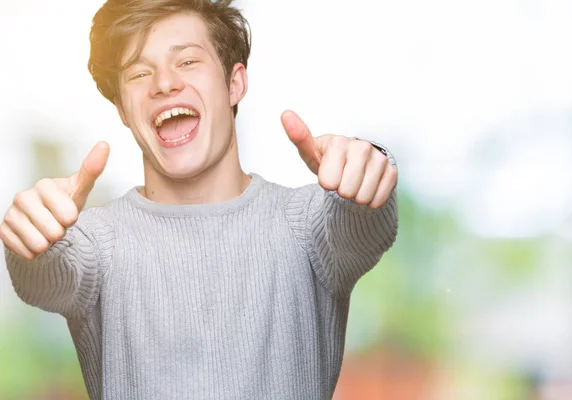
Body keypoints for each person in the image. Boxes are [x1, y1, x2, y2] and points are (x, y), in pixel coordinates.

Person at [1, 0, 399, 398]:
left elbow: (361, 224)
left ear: (234, 83)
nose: (164, 83)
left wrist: (369, 171)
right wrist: (31, 239)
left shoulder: (306, 226)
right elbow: (46, 274)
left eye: (188, 62)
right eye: (140, 72)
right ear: (123, 109)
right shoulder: (97, 243)